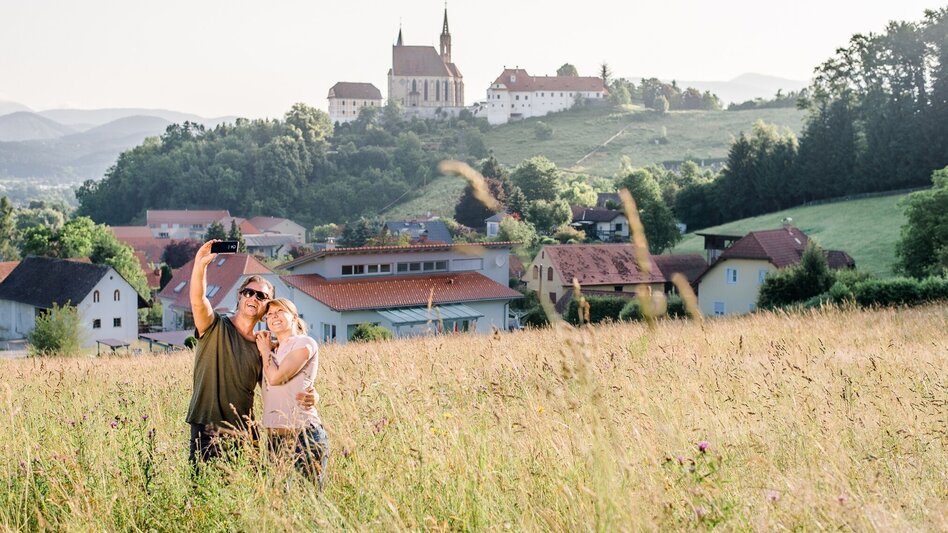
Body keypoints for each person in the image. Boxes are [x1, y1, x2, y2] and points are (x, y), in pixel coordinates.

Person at [186, 240, 315, 465]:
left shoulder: (264, 346)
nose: (253, 297)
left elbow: (278, 383)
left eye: (261, 296)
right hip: (207, 427)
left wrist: (312, 396)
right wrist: (200, 265)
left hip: (245, 434)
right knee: (204, 496)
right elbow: (198, 301)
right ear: (240, 296)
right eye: (249, 292)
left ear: (266, 308)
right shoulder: (214, 326)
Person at [255, 298, 329, 488]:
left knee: (309, 503)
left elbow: (276, 378)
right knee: (276, 503)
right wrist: (267, 349)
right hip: (275, 439)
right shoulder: (271, 349)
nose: (274, 317)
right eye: (269, 314)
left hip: (304, 435)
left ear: (294, 316)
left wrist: (264, 351)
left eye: (280, 311)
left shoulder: (305, 342)